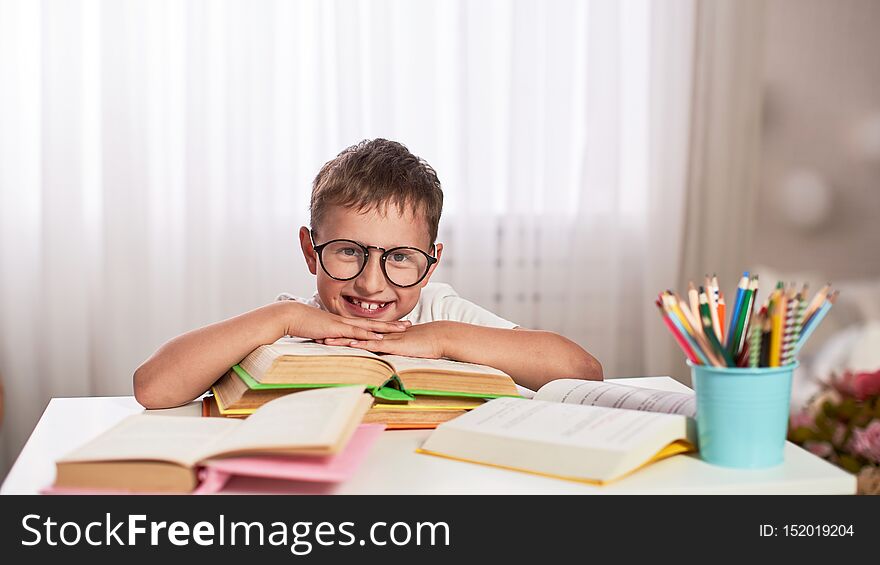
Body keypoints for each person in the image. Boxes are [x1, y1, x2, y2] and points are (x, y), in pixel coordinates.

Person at [133, 139, 602, 409]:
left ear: (431, 263)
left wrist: (442, 339)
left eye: (400, 258)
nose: (371, 283)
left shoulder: (440, 312)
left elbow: (582, 371)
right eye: (347, 252)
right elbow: (153, 388)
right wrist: (279, 320)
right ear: (310, 251)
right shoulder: (290, 323)